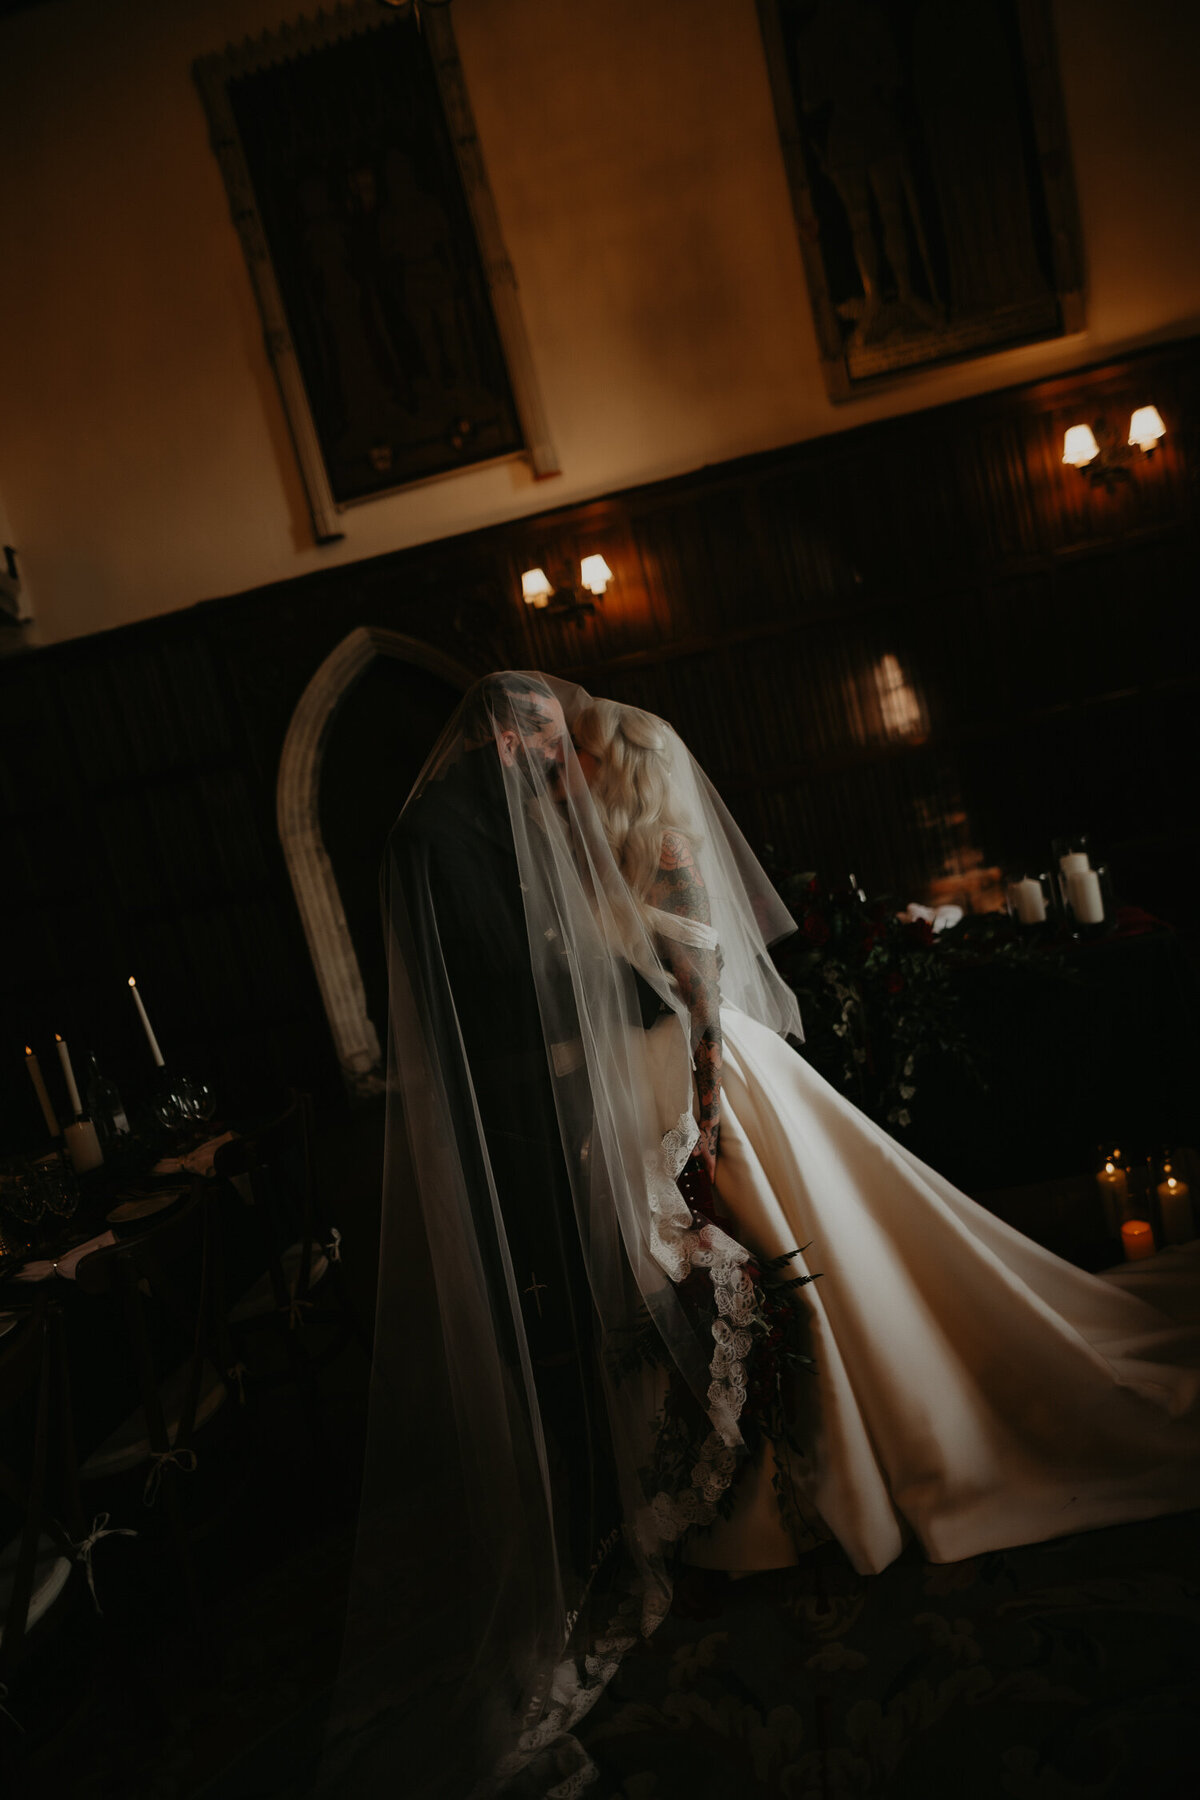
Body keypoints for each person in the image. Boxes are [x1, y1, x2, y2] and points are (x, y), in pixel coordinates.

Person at [571, 693, 1200, 1580]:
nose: (572, 772)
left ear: (621, 766)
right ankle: (741, 1468)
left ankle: (838, 1461)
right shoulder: (603, 858)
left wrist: (703, 1117)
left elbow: (704, 995)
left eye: (585, 759)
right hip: (649, 1080)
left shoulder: (669, 850)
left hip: (707, 1080)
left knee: (786, 1248)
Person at [326, 674, 794, 1799]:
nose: (558, 756)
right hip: (529, 1114)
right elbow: (507, 979)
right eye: (545, 735)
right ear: (504, 734)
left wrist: (641, 991)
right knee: (600, 1296)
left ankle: (686, 1481)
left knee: (679, 1267)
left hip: (625, 1084)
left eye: (571, 743)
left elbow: (626, 944)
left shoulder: (569, 821)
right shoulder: (438, 834)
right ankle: (623, 1500)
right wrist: (622, 992)